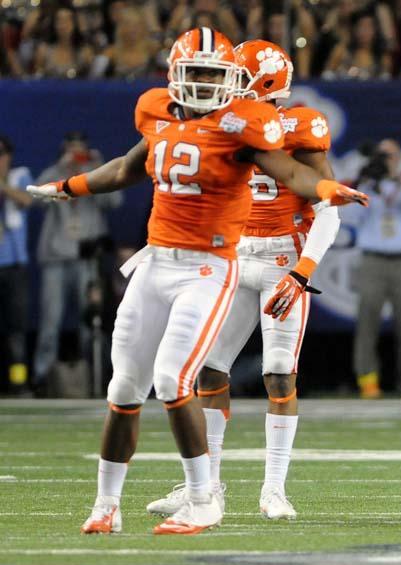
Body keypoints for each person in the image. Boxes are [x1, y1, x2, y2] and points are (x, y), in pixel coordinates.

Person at [27, 27, 367, 536]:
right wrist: (69, 187)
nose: (208, 83)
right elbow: (126, 168)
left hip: (217, 264)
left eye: (217, 74)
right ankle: (108, 504)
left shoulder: (248, 125)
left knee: (188, 377)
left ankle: (221, 494)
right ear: (176, 75)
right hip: (162, 261)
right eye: (199, 73)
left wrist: (324, 189)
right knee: (127, 385)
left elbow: (291, 174)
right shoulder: (158, 112)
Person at [146, 40, 340, 522]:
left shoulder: (299, 126)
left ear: (265, 83)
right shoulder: (225, 126)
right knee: (208, 370)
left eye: (236, 77)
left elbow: (328, 210)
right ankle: (206, 487)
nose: (225, 86)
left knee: (279, 373)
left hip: (281, 262)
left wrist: (302, 272)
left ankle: (274, 489)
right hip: (231, 258)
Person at [32, 132, 123, 395]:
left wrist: (96, 167)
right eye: (72, 149)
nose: (76, 154)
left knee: (90, 320)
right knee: (51, 321)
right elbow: (38, 193)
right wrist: (63, 166)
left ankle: (92, 376)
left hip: (87, 258)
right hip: (57, 257)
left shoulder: (92, 175)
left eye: (80, 149)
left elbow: (114, 200)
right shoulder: (57, 173)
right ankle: (42, 378)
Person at [344, 139, 401, 399]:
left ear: (399, 157)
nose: (387, 160)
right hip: (373, 261)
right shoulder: (367, 186)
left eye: (392, 155)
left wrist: (396, 178)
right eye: (383, 155)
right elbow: (350, 214)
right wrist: (367, 182)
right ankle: (368, 380)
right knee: (367, 320)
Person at [0, 136, 33, 396]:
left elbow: (26, 201)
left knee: (17, 328)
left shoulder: (19, 176)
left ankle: (18, 381)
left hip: (14, 266)